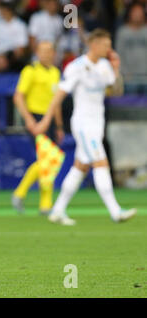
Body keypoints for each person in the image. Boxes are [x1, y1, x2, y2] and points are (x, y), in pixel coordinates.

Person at [35, 29, 137, 225]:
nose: (108, 49)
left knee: (80, 167)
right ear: (94, 44)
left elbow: (116, 92)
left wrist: (116, 69)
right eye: (105, 45)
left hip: (97, 122)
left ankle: (57, 211)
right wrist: (47, 119)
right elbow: (60, 93)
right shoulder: (77, 67)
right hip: (83, 123)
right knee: (100, 161)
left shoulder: (106, 66)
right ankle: (115, 211)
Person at [11, 41, 62, 215]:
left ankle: (43, 203)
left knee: (49, 161)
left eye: (49, 51)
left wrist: (60, 125)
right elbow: (18, 96)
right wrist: (28, 119)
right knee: (46, 160)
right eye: (43, 51)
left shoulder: (55, 72)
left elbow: (56, 101)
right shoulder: (30, 71)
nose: (47, 54)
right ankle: (25, 194)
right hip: (36, 117)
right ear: (37, 53)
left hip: (51, 120)